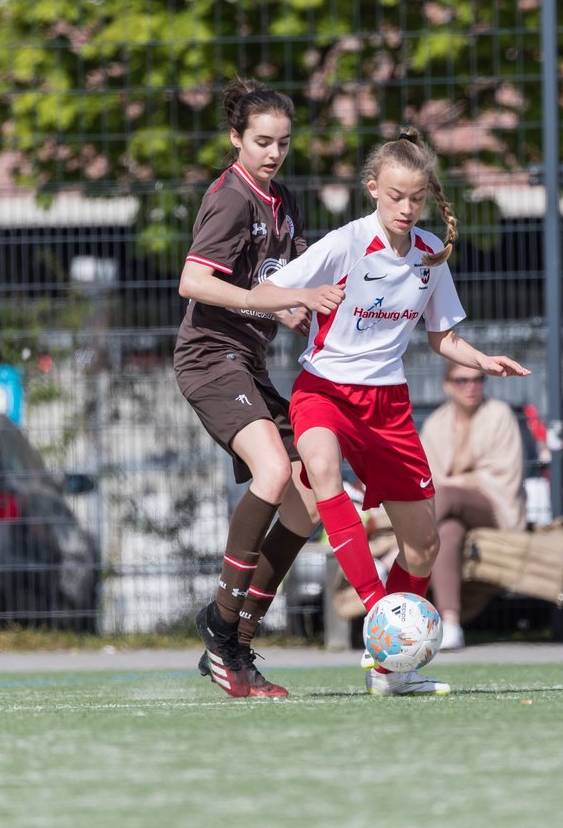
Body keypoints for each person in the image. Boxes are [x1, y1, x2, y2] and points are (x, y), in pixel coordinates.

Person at [245, 128, 531, 695]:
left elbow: (443, 337)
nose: (406, 208)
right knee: (322, 474)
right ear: (373, 189)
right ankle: (382, 621)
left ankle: (389, 670)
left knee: (424, 546)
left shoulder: (430, 254)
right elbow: (265, 291)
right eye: (395, 196)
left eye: (416, 198)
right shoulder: (344, 245)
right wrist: (301, 299)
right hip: (323, 391)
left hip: (388, 405)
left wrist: (481, 359)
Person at [174, 78, 346, 699]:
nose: (273, 153)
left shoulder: (283, 201)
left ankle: (237, 643)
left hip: (247, 364)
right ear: (236, 140)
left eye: (283, 142)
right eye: (262, 142)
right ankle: (221, 629)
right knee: (273, 473)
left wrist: (317, 296)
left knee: (306, 496)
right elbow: (194, 281)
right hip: (209, 357)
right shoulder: (230, 199)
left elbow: (296, 279)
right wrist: (266, 302)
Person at [418, 361, 527, 650]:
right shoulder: (436, 423)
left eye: (478, 380)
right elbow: (428, 478)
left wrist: (457, 482)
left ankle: (393, 555)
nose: (471, 386)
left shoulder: (499, 415)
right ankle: (451, 624)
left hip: (493, 507)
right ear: (447, 385)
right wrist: (457, 482)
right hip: (448, 512)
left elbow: (503, 476)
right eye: (461, 380)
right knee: (448, 531)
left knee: (448, 495)